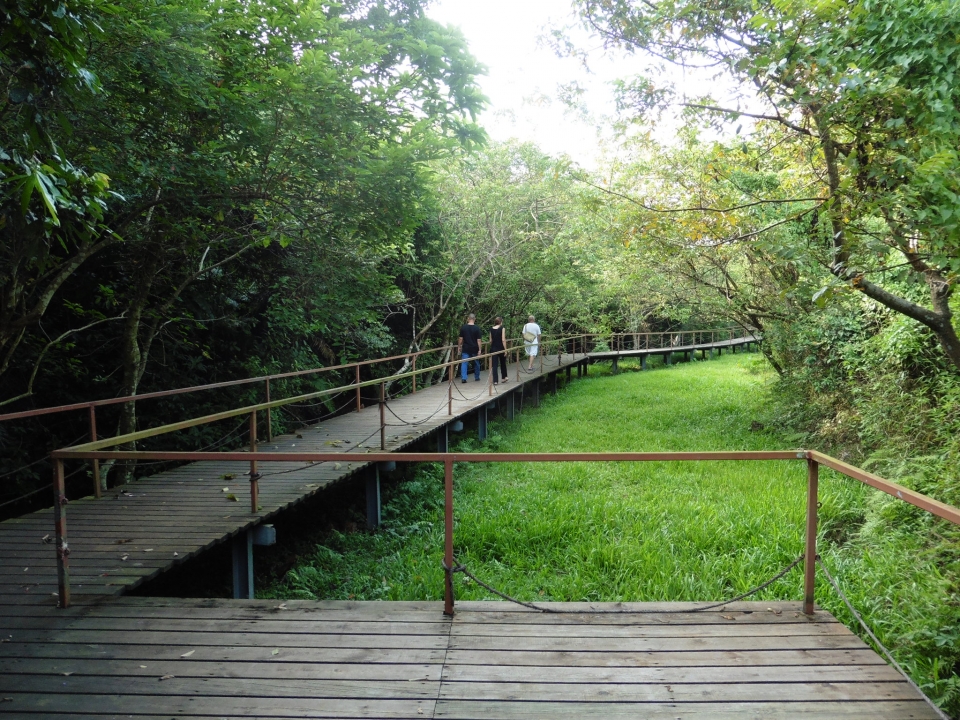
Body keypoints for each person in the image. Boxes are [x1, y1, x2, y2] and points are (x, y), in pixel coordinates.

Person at [457, 313, 483, 383]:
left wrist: (459, 346)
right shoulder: (477, 328)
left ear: (468, 319)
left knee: (464, 363)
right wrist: (480, 349)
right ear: (474, 319)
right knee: (476, 363)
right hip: (475, 348)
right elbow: (479, 340)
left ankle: (464, 378)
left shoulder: (464, 327)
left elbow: (460, 338)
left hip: (466, 348)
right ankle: (477, 377)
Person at [490, 316, 508, 384]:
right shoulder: (502, 328)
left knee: (494, 365)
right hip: (501, 348)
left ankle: (495, 381)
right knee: (503, 362)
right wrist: (505, 350)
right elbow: (503, 339)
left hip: (494, 348)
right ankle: (504, 377)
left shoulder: (491, 329)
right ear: (501, 322)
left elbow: (490, 340)